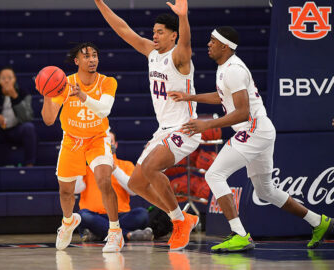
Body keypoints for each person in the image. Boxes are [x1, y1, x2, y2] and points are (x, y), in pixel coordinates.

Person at [169, 26, 333, 252]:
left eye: (212, 41)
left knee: (214, 174)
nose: (208, 44)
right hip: (261, 130)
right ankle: (319, 222)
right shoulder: (225, 67)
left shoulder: (234, 70)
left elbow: (242, 112)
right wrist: (190, 97)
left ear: (225, 46)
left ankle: (239, 234)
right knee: (266, 191)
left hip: (253, 129)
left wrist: (206, 124)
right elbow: (223, 97)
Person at [94, 0, 199, 250]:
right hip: (162, 130)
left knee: (152, 169)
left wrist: (183, 17)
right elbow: (123, 29)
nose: (154, 35)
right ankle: (183, 217)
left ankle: (178, 221)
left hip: (184, 128)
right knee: (136, 184)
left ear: (173, 35)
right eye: (153, 31)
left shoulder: (179, 57)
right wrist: (100, 3)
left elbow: (186, 43)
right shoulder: (151, 53)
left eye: (160, 32)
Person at [41, 42, 123, 252]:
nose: (92, 59)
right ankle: (68, 222)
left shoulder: (107, 82)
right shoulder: (64, 84)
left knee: (104, 179)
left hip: (97, 138)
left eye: (95, 55)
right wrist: (46, 93)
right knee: (65, 191)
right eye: (86, 56)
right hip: (72, 139)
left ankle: (115, 232)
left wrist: (82, 96)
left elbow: (104, 110)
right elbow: (49, 120)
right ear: (77, 61)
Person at [75, 131, 152, 242]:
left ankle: (99, 234)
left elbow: (133, 191)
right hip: (95, 216)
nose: (107, 145)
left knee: (142, 214)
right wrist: (78, 164)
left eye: (110, 141)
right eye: (103, 142)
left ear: (115, 145)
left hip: (122, 216)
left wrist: (114, 169)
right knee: (83, 215)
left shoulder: (126, 165)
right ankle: (128, 235)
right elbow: (77, 189)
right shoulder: (87, 167)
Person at [0, 67, 36, 167]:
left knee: (29, 128)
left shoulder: (24, 93)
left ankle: (29, 164)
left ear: (15, 79)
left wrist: (15, 97)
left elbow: (27, 117)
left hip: (16, 129)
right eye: (3, 78)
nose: (6, 80)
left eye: (10, 78)